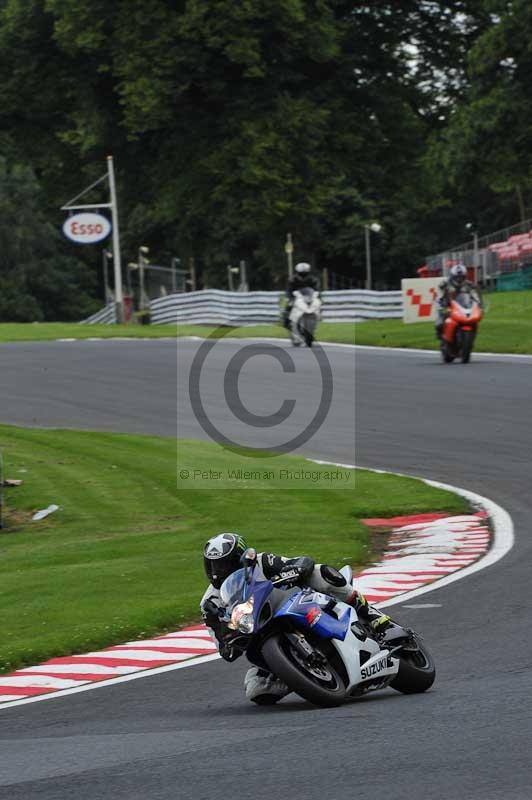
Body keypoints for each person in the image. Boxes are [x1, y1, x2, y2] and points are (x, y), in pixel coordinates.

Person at [200, 532, 391, 705]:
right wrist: (231, 640)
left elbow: (302, 562)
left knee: (319, 572)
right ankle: (298, 674)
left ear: (239, 558)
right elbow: (224, 649)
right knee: (256, 690)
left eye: (223, 564)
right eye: (212, 565)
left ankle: (372, 615)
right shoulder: (210, 602)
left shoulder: (261, 561)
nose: (217, 571)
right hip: (258, 633)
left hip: (290, 603)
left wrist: (293, 571)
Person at [435, 263, 481, 340]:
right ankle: (441, 336)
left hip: (463, 305)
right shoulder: (445, 284)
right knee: (440, 323)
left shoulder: (469, 284)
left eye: (461, 277)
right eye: (457, 277)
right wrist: (441, 303)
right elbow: (439, 294)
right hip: (448, 305)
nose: (459, 279)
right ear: (453, 276)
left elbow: (475, 295)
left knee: (474, 321)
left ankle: (471, 338)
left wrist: (478, 303)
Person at [283, 262, 320, 329]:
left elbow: (316, 288)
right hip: (295, 296)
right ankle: (286, 321)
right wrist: (288, 296)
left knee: (317, 304)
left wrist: (316, 294)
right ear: (297, 272)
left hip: (308, 296)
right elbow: (289, 289)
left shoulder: (312, 279)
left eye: (305, 273)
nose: (303, 275)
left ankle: (318, 317)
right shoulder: (293, 279)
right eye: (301, 273)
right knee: (290, 304)